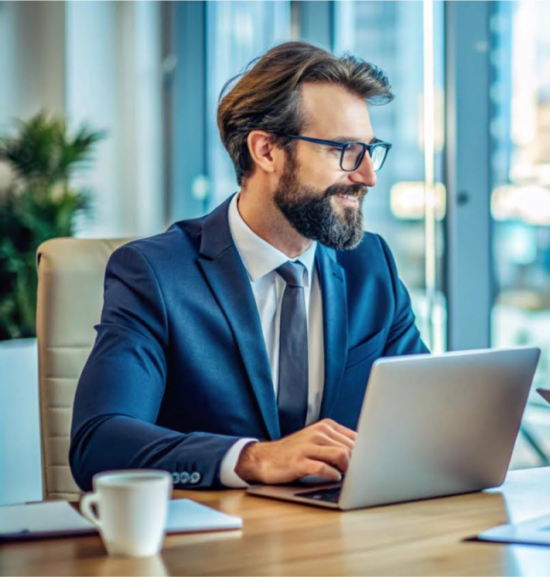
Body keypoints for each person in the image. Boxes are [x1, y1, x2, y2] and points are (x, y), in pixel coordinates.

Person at [70, 41, 428, 491]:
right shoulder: (155, 275)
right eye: (343, 150)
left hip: (346, 540)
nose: (367, 176)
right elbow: (97, 444)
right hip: (214, 548)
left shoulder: (369, 265)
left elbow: (425, 415)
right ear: (266, 151)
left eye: (369, 151)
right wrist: (251, 459)